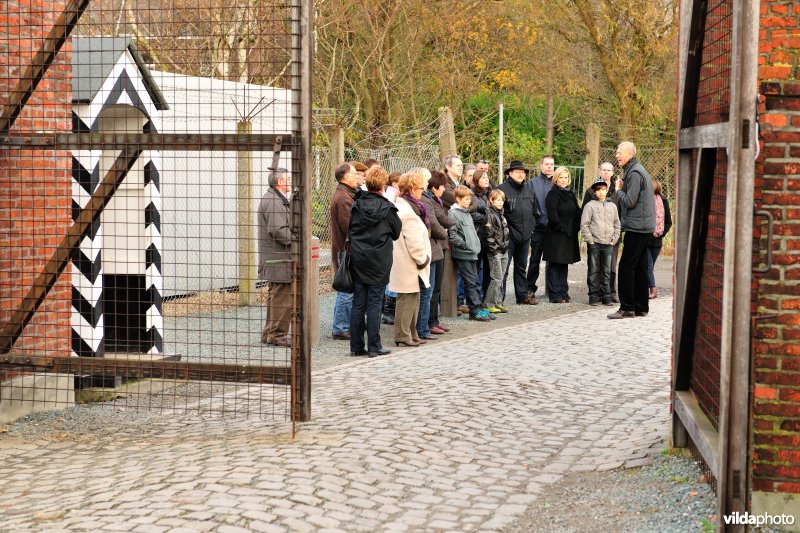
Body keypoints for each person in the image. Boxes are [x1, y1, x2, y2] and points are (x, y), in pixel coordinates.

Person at [348, 166, 401, 358]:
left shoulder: (356, 205)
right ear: (383, 185)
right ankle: (374, 346)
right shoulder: (387, 208)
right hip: (379, 260)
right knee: (375, 302)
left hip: (359, 258)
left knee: (358, 302)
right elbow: (396, 232)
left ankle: (356, 346)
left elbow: (350, 229)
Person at [608, 141, 656, 319]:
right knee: (641, 267)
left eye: (619, 152)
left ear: (629, 154)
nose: (617, 155)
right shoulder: (637, 169)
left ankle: (627, 308)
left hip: (637, 227)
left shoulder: (635, 173)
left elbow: (629, 201)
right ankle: (641, 306)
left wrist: (618, 190)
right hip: (644, 226)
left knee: (626, 267)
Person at [388, 171, 432, 347]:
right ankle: (403, 335)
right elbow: (413, 240)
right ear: (413, 189)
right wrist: (423, 259)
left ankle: (411, 333)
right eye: (421, 188)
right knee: (407, 299)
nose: (423, 191)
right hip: (409, 261)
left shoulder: (407, 207)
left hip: (408, 261)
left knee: (413, 297)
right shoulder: (407, 212)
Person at [257, 168, 293, 347]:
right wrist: (297, 241)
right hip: (279, 258)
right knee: (282, 297)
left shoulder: (273, 198)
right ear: (279, 182)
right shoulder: (273, 201)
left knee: (277, 295)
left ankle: (269, 333)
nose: (291, 181)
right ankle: (277, 335)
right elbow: (277, 229)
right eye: (288, 178)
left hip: (276, 257)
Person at [449, 186, 491, 321]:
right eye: (467, 199)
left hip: (472, 252)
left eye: (470, 199)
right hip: (464, 253)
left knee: (475, 281)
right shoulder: (454, 213)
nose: (469, 202)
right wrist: (465, 245)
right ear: (458, 199)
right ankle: (474, 311)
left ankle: (478, 308)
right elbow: (453, 235)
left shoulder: (466, 212)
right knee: (470, 282)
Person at [498, 160, 538, 305]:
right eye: (517, 172)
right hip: (509, 236)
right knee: (504, 268)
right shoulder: (501, 189)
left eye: (523, 172)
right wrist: (507, 231)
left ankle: (522, 296)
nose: (521, 175)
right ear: (510, 173)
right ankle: (498, 299)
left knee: (521, 267)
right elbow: (498, 213)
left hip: (525, 235)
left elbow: (534, 210)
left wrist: (531, 228)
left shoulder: (528, 189)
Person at [418, 169, 451, 339]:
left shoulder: (432, 199)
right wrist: (446, 232)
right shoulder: (426, 199)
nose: (444, 190)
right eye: (442, 186)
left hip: (438, 246)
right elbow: (435, 222)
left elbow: (442, 219)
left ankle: (433, 320)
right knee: (429, 290)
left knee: (435, 288)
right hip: (432, 246)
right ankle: (427, 323)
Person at [582, 162, 620, 303]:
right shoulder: (590, 193)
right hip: (595, 239)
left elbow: (618, 219)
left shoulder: (617, 190)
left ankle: (610, 294)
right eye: (603, 170)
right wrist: (589, 239)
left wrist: (615, 237)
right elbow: (584, 218)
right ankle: (594, 294)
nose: (605, 172)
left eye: (608, 170)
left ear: (612, 172)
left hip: (610, 238)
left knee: (610, 267)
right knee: (594, 268)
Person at [330, 162, 360, 340]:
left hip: (346, 248)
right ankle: (340, 327)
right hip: (345, 250)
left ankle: (342, 325)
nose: (357, 177)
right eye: (355, 174)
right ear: (346, 177)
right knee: (346, 289)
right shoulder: (344, 198)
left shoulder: (347, 194)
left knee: (347, 289)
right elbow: (349, 226)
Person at [543, 167, 580, 303]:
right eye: (561, 177)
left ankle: (564, 292)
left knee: (564, 264)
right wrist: (562, 228)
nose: (563, 180)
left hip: (569, 234)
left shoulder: (570, 194)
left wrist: (576, 227)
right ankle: (554, 294)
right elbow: (552, 214)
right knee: (555, 264)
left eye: (566, 177)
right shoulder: (553, 194)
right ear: (556, 179)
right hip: (556, 234)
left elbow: (577, 211)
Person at [527, 155, 555, 300]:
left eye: (552, 164)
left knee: (554, 260)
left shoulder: (557, 183)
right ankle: (530, 288)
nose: (549, 167)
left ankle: (552, 289)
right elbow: (530, 203)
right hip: (538, 228)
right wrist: (536, 218)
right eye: (547, 164)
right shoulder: (532, 183)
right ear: (541, 165)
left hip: (553, 229)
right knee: (535, 260)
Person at [482, 189, 509, 313]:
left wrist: (505, 247)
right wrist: (494, 251)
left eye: (502, 200)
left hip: (503, 250)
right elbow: (488, 235)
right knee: (496, 277)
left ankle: (498, 302)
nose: (500, 202)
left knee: (501, 277)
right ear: (491, 201)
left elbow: (504, 233)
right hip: (495, 252)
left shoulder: (501, 214)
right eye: (498, 200)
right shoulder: (490, 215)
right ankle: (489, 303)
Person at [648, 179, 672, 299]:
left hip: (657, 240)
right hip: (645, 238)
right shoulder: (644, 200)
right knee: (647, 265)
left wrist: (661, 233)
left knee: (649, 265)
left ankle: (650, 288)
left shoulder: (663, 201)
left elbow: (668, 222)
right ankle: (653, 289)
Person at [470, 169, 492, 298]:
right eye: (483, 177)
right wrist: (487, 218)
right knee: (477, 269)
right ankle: (476, 299)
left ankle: (485, 298)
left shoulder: (485, 195)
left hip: (486, 236)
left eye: (487, 177)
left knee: (487, 269)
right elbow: (471, 213)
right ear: (476, 180)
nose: (486, 179)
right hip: (477, 235)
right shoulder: (472, 195)